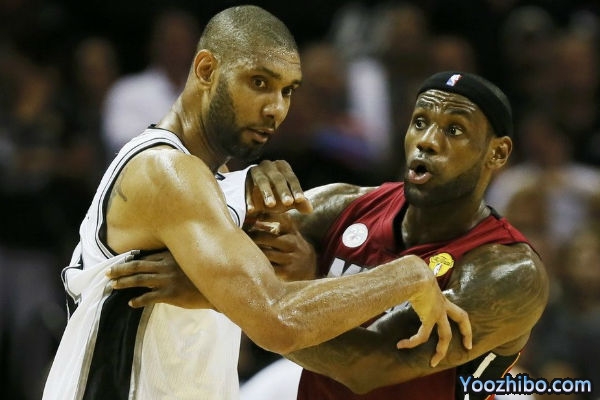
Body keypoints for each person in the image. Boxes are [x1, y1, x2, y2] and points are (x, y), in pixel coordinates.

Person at [42, 7, 471, 400]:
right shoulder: (165, 171)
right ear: (206, 70)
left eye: (288, 91)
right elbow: (277, 319)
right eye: (259, 83)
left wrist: (217, 288)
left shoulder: (214, 184)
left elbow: (264, 298)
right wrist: (407, 275)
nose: (276, 109)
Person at [108, 71, 549, 399]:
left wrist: (228, 296)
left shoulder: (507, 272)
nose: (428, 141)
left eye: (454, 130)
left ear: (497, 153)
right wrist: (245, 187)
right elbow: (218, 241)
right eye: (420, 122)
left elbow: (368, 366)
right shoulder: (344, 204)